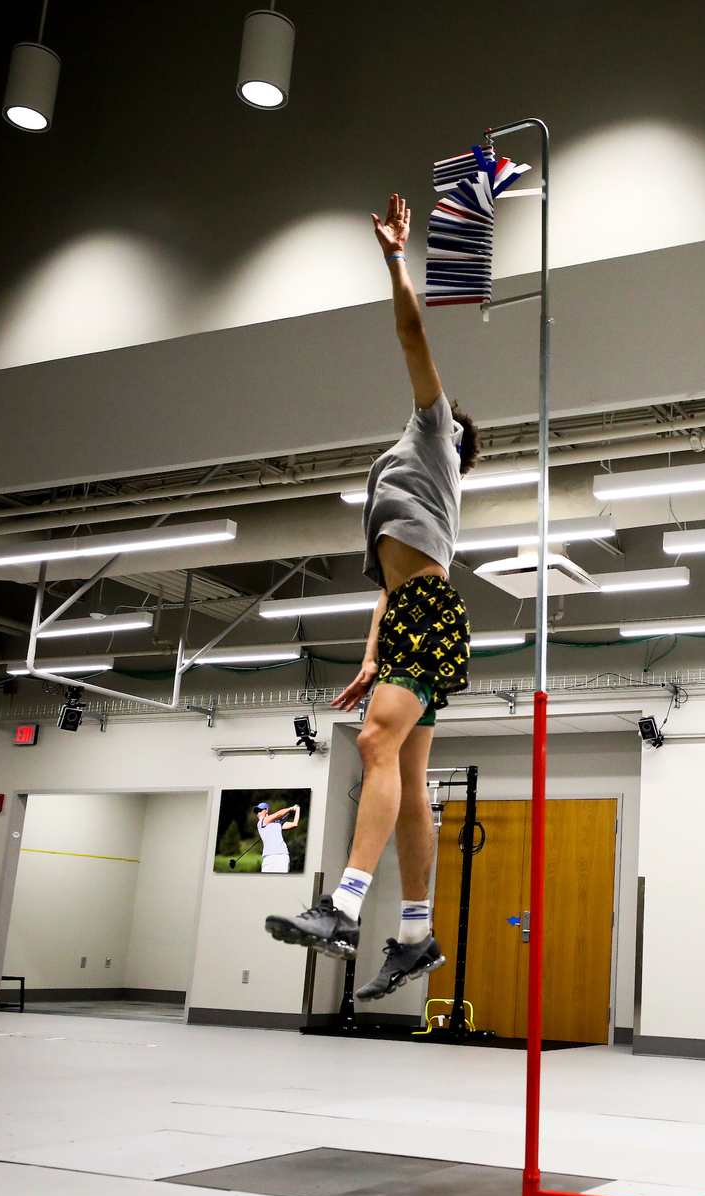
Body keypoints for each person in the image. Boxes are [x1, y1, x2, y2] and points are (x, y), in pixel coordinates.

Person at [266, 194, 479, 1000]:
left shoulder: (432, 437)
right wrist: (369, 656)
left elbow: (412, 333)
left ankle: (345, 910)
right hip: (409, 615)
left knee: (373, 749)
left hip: (429, 611)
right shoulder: (401, 473)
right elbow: (389, 589)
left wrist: (395, 255)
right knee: (407, 774)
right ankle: (416, 935)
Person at [255, 801, 300, 874]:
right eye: (257, 812)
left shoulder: (278, 823)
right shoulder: (261, 823)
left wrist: (297, 810)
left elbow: (294, 824)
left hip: (282, 857)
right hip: (268, 858)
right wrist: (291, 809)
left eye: (260, 811)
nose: (258, 814)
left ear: (266, 810)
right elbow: (279, 815)